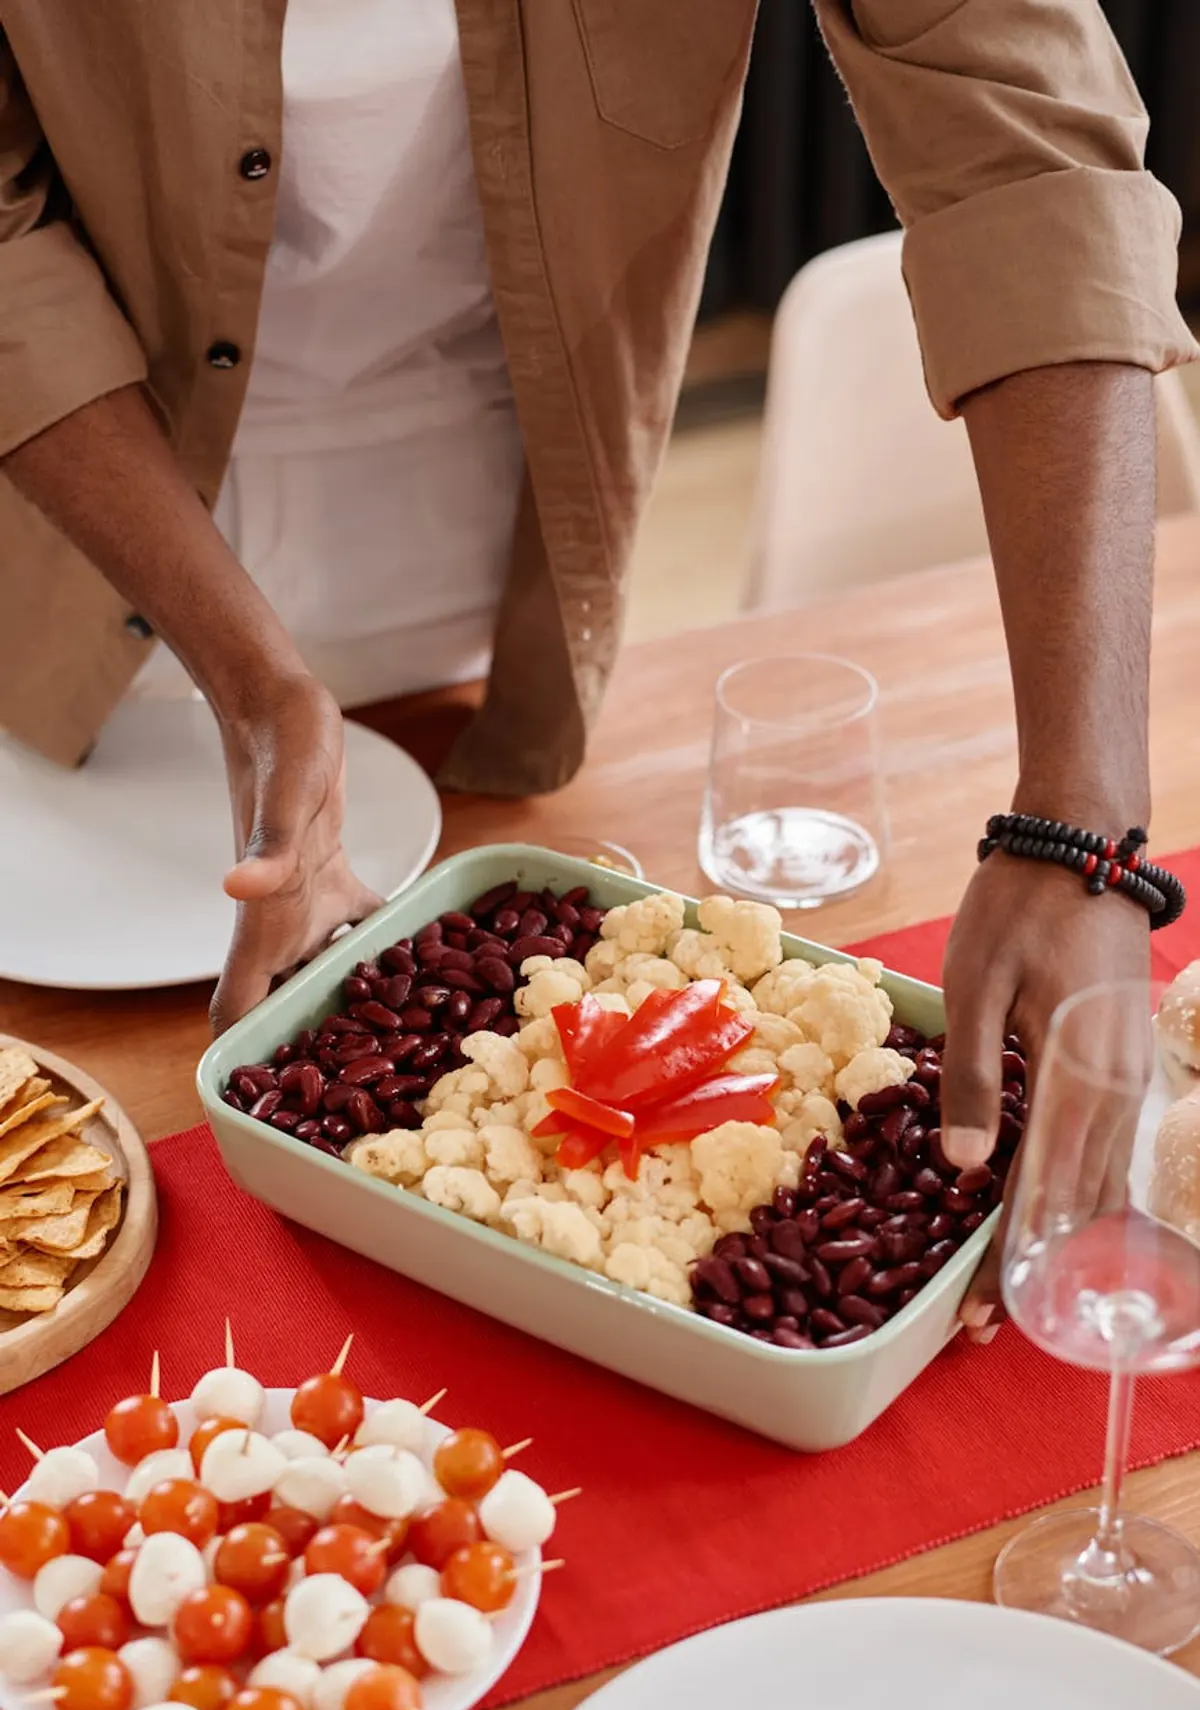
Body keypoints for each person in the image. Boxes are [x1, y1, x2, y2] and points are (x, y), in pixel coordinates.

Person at [0, 2, 1193, 1339]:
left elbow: (1033, 150)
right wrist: (255, 679)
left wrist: (1083, 817)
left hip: (486, 516)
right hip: (77, 531)